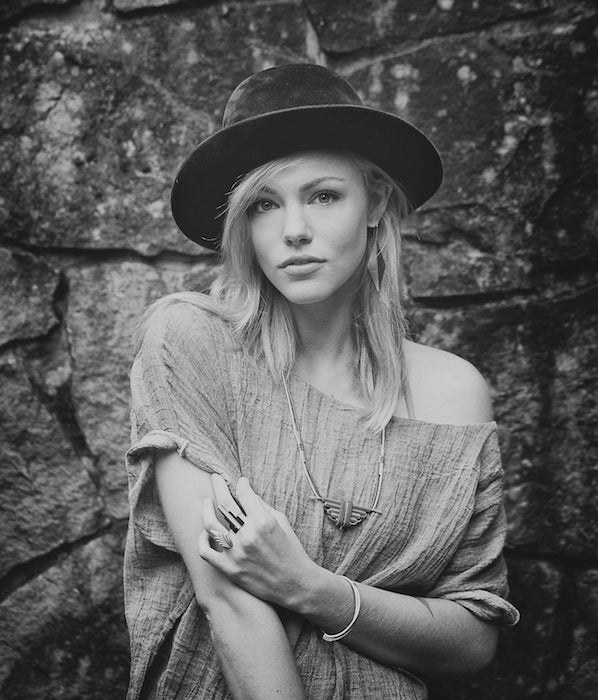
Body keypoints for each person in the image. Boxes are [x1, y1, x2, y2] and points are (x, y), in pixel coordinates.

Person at [123, 63, 519, 699]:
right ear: (242, 226)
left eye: (324, 195)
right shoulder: (192, 343)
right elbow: (227, 600)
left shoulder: (454, 391)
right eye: (263, 204)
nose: (294, 230)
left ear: (376, 204)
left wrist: (309, 587)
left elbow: (474, 639)